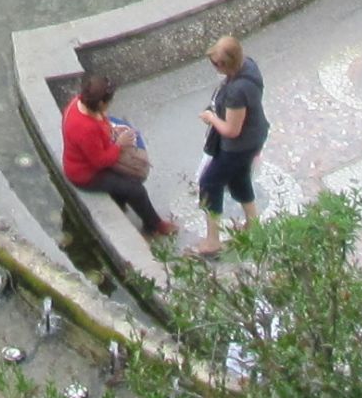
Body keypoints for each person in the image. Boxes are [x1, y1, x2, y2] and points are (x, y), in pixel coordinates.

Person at [61, 72, 178, 244]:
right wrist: (119, 144)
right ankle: (154, 225)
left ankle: (120, 199)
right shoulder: (85, 128)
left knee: (126, 182)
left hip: (90, 158)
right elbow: (100, 161)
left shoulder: (79, 103)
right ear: (101, 103)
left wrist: (112, 132)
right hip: (86, 174)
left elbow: (101, 123)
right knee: (135, 188)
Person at [195, 32, 267, 257]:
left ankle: (212, 241)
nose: (215, 68)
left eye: (217, 64)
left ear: (227, 64)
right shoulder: (249, 65)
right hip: (255, 136)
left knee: (209, 182)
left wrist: (211, 118)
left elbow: (232, 130)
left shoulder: (237, 91)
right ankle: (253, 223)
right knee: (239, 178)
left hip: (238, 147)